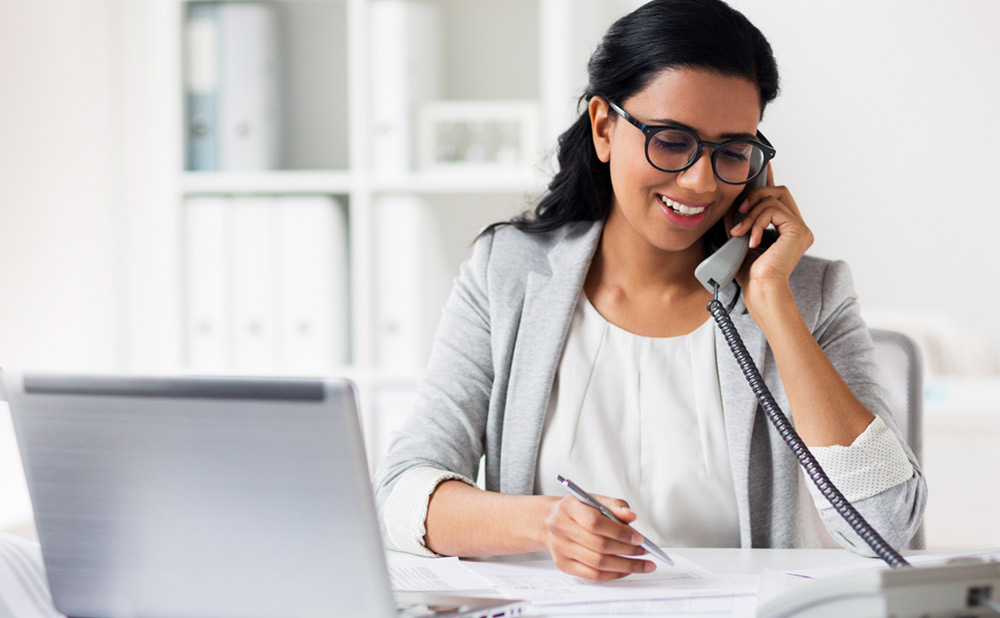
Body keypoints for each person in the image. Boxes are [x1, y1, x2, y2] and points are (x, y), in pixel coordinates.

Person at [373, 0, 926, 582]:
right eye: (670, 140)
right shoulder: (507, 274)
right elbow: (403, 495)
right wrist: (546, 524)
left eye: (733, 151)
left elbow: (888, 525)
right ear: (604, 127)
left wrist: (774, 306)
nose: (700, 180)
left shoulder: (808, 291)